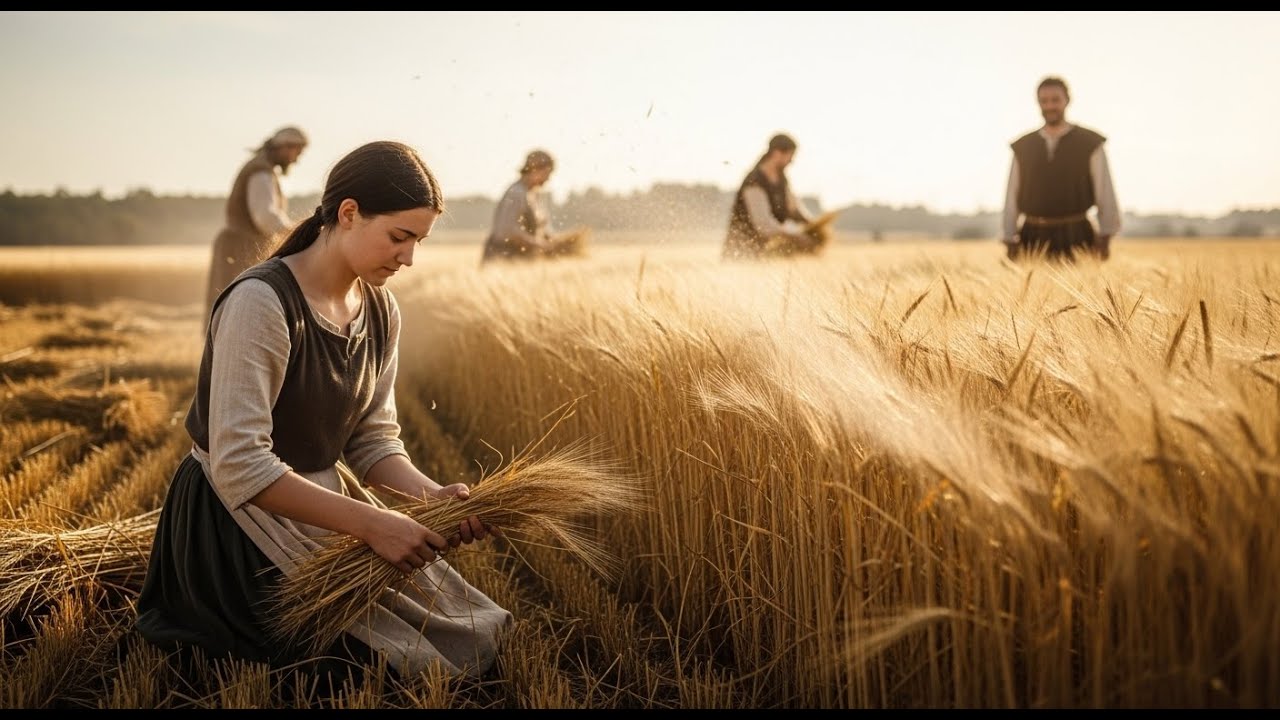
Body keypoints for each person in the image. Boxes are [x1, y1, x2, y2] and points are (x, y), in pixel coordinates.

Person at [136, 140, 512, 683]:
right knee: (353, 671)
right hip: (236, 521)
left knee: (473, 633)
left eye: (419, 241)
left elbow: (372, 440)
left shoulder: (381, 309)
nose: (409, 258)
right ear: (349, 213)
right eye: (399, 237)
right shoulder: (261, 303)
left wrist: (432, 497)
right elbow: (240, 465)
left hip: (325, 508)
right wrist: (373, 524)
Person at [1001, 76, 1121, 262]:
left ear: (1067, 100)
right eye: (1044, 101)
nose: (1049, 106)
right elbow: (1011, 195)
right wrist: (1009, 237)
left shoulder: (1090, 143)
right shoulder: (1022, 147)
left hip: (1078, 236)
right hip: (1032, 240)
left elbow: (1104, 190)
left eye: (1055, 100)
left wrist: (1105, 235)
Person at [203, 126, 309, 326]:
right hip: (243, 248)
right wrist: (297, 234)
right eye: (297, 152)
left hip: (237, 245)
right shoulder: (261, 171)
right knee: (239, 310)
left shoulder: (261, 167)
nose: (296, 159)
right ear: (286, 147)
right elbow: (265, 217)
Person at [722, 133, 822, 260]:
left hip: (766, 256)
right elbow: (763, 224)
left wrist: (813, 227)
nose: (791, 161)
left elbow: (794, 209)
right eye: (790, 156)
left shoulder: (782, 180)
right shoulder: (754, 182)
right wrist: (797, 236)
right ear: (776, 153)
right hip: (741, 256)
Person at [480, 149, 587, 264]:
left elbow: (539, 227)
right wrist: (540, 244)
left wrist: (554, 241)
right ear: (535, 169)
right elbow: (508, 231)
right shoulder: (517, 193)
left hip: (521, 262)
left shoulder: (533, 194)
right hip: (504, 259)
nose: (548, 179)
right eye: (547, 173)